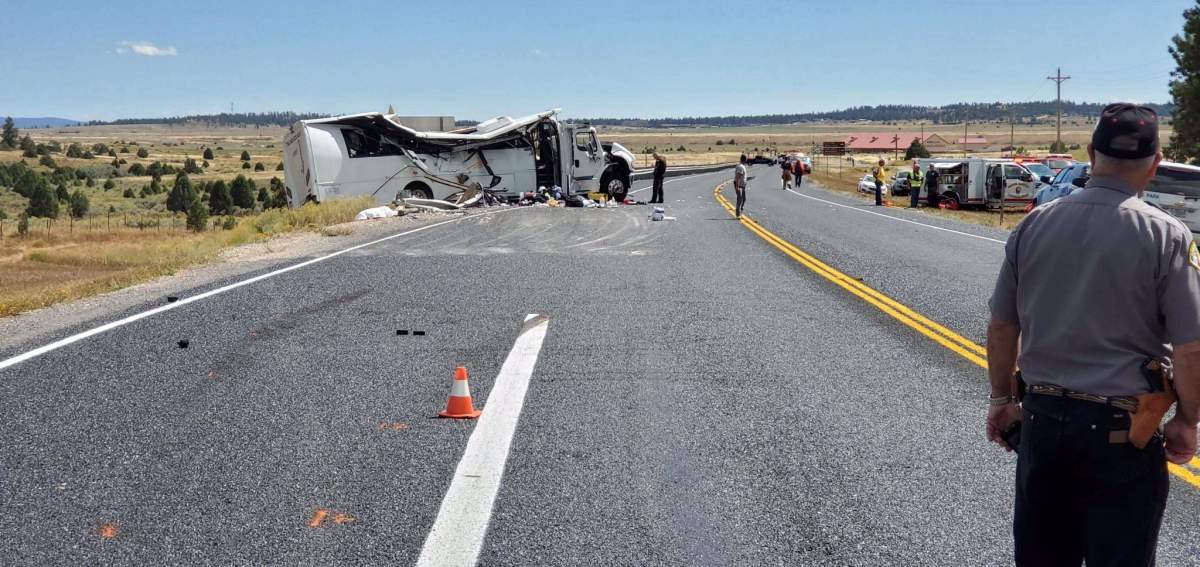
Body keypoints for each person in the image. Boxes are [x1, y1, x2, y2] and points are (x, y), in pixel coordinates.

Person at [986, 103, 1200, 566]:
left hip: (1042, 425)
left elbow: (1003, 325)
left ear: (1090, 152)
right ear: (1156, 162)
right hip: (1123, 434)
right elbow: (1190, 348)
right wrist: (1186, 420)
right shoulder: (1168, 236)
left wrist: (1002, 399)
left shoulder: (1034, 224)